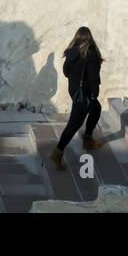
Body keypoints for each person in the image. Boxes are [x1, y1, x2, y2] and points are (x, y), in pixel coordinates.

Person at [49, 27, 105, 170]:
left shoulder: (72, 52)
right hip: (85, 94)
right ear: (89, 38)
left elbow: (66, 72)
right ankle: (58, 152)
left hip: (75, 91)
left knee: (96, 109)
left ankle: (87, 138)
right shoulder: (91, 55)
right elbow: (93, 79)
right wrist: (94, 95)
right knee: (74, 124)